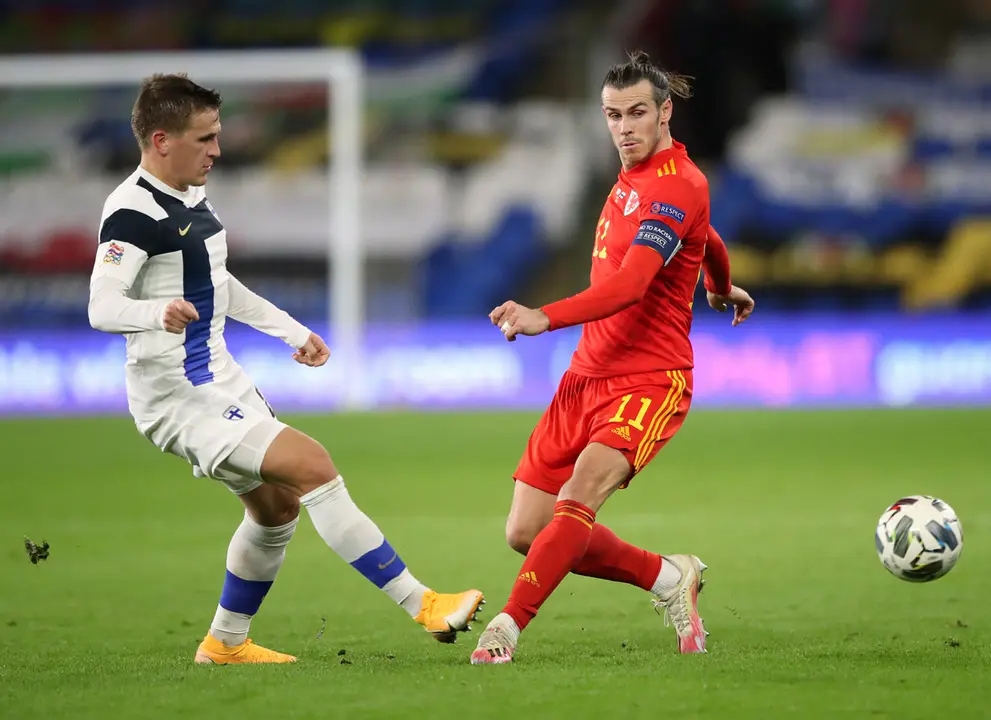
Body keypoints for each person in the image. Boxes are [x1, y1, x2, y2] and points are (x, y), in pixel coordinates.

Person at [88, 73, 484, 665]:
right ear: (162, 139)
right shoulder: (131, 213)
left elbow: (219, 285)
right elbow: (101, 306)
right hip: (175, 396)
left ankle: (224, 644)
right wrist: (154, 311)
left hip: (219, 377)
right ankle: (423, 603)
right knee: (312, 464)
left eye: (217, 136)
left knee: (276, 511)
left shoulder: (192, 196)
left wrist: (290, 331)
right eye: (205, 139)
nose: (217, 150)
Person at [469, 52, 754, 665]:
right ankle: (668, 578)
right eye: (612, 115)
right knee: (526, 532)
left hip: (649, 379)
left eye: (636, 114)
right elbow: (706, 237)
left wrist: (545, 316)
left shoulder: (680, 183)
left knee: (578, 498)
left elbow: (630, 286)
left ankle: (507, 628)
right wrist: (718, 283)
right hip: (585, 377)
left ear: (665, 111)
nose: (623, 127)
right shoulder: (636, 176)